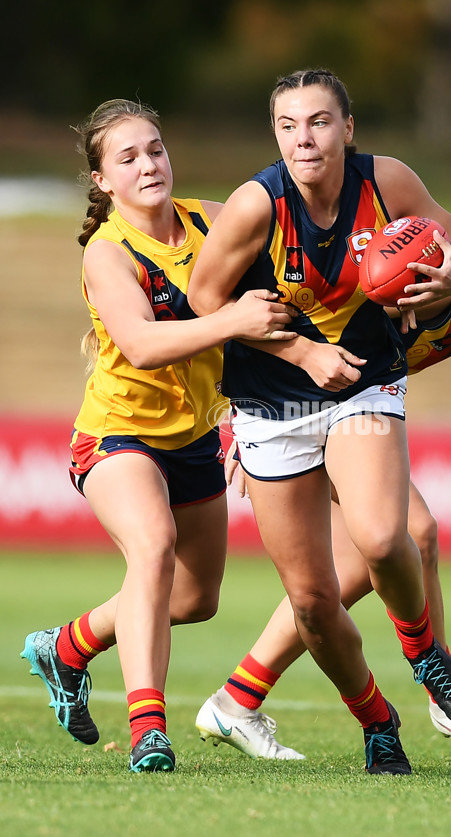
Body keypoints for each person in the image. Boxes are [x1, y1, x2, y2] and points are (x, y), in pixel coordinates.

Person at [195, 185, 451, 760]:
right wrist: (238, 422)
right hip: (292, 412)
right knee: (414, 535)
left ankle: (236, 701)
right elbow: (310, 311)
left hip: (341, 410)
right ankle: (445, 693)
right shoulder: (429, 265)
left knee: (350, 573)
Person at [188, 68, 451, 775]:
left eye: (319, 121)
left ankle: (426, 657)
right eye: (289, 125)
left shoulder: (387, 182)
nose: (305, 138)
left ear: (347, 129)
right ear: (275, 135)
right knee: (316, 602)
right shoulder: (256, 204)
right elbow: (205, 300)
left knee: (386, 536)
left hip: (362, 386)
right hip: (273, 406)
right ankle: (378, 723)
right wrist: (297, 348)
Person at [20, 98, 297, 773]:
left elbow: (285, 296)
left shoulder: (216, 220)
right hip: (118, 434)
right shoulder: (107, 252)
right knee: (153, 547)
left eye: (155, 149)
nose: (149, 164)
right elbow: (143, 345)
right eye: (128, 157)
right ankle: (149, 728)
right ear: (102, 182)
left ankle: (68, 645)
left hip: (197, 437)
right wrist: (232, 320)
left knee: (195, 598)